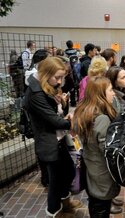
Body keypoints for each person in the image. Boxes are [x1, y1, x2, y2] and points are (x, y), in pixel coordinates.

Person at [24, 57, 82, 217]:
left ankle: (65, 202)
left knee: (69, 172)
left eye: (62, 77)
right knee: (55, 181)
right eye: (57, 77)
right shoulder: (35, 94)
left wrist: (63, 103)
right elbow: (54, 120)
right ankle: (54, 211)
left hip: (58, 140)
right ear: (44, 74)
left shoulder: (47, 86)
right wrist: (76, 122)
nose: (60, 81)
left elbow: (58, 112)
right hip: (49, 143)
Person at [72, 76, 120, 218]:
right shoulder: (102, 119)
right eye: (110, 90)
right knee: (101, 209)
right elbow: (108, 152)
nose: (114, 93)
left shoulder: (84, 112)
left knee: (95, 205)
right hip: (102, 174)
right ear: (101, 94)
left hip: (91, 169)